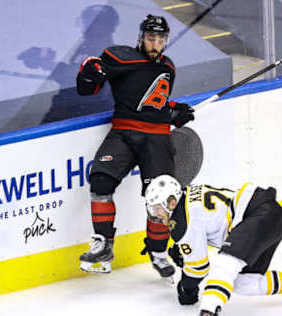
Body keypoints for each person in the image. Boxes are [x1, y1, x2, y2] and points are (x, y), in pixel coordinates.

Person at [76, 14, 195, 281]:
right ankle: (104, 246)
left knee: (160, 201)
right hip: (123, 133)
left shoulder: (168, 67)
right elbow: (88, 88)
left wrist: (175, 111)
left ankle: (158, 252)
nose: (155, 44)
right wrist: (89, 70)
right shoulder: (120, 57)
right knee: (100, 181)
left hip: (157, 139)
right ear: (141, 38)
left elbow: (154, 102)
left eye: (160, 40)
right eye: (151, 38)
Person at [144, 175, 282, 316]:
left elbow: (198, 269)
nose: (156, 214)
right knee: (244, 283)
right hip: (271, 216)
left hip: (257, 215)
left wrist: (186, 290)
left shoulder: (179, 222)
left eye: (157, 208)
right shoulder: (188, 194)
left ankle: (208, 310)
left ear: (171, 201)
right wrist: (184, 253)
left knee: (226, 264)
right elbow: (205, 224)